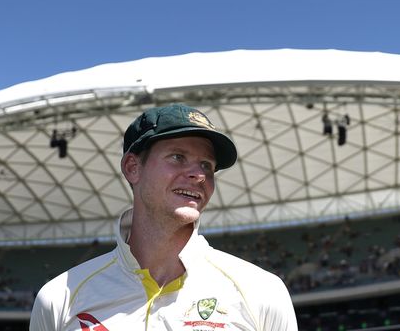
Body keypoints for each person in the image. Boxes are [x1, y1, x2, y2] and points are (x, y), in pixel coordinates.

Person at [30, 104, 298, 330]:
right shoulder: (59, 298)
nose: (199, 174)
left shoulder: (262, 293)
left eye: (207, 165)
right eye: (178, 157)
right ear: (132, 168)